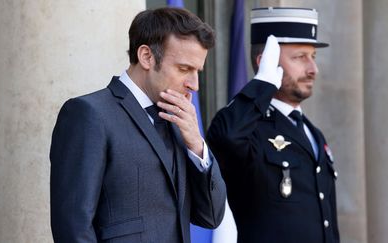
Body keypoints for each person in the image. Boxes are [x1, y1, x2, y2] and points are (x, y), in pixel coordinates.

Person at [50, 7, 226, 243]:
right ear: (146, 56)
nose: (194, 84)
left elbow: (211, 217)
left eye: (198, 71)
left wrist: (196, 145)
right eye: (184, 69)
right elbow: (73, 227)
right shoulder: (88, 114)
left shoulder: (180, 123)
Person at [207, 7, 340, 243]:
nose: (313, 69)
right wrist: (263, 84)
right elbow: (225, 138)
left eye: (313, 57)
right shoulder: (249, 128)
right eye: (300, 57)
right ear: (264, 62)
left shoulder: (312, 133)